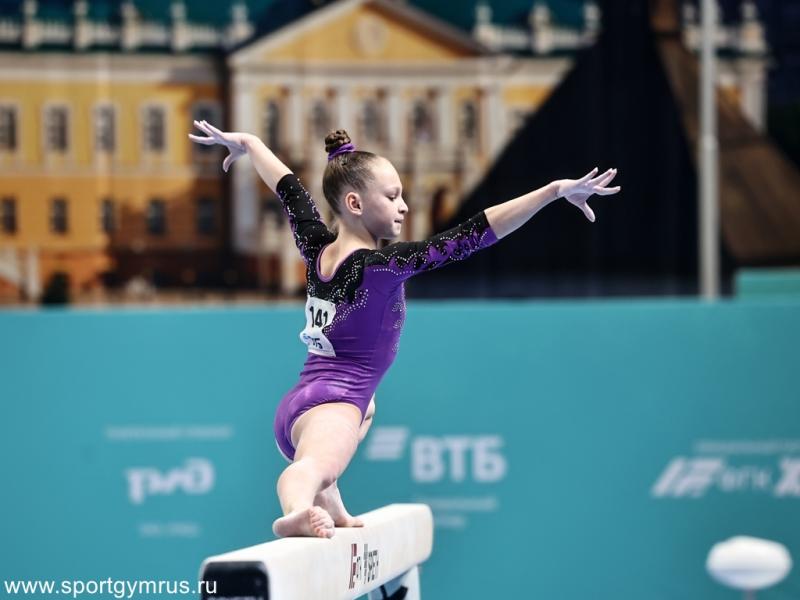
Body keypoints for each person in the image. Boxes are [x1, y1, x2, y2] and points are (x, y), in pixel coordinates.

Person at [189, 120, 621, 538]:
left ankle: (327, 497)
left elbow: (289, 190)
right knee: (312, 467)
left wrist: (251, 144)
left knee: (368, 407)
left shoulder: (316, 246)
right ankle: (299, 508)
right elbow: (475, 234)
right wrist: (552, 191)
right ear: (355, 203)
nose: (404, 207)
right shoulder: (380, 266)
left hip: (307, 402)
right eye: (393, 196)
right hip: (334, 404)